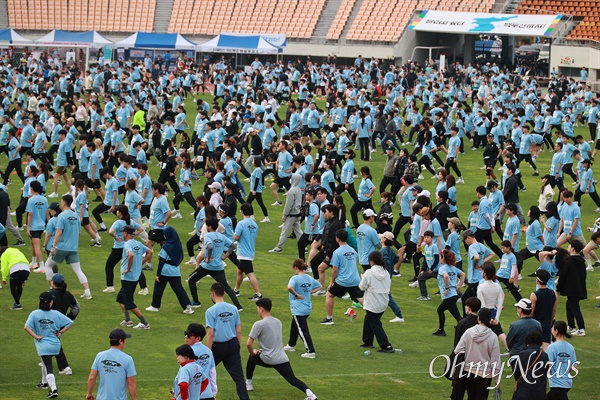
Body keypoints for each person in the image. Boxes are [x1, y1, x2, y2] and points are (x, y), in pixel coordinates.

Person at [245, 297, 318, 400]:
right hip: (281, 358)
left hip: (268, 358)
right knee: (292, 379)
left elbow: (248, 344)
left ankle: (248, 384)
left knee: (251, 358)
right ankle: (311, 395)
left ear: (261, 309)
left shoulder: (259, 324)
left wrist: (253, 353)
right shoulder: (278, 322)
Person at [25, 291, 74, 399]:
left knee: (48, 368)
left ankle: (54, 390)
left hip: (43, 345)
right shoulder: (55, 314)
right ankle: (44, 383)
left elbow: (26, 327)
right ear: (50, 302)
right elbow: (70, 322)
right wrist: (60, 332)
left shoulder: (34, 313)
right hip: (56, 344)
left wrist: (36, 336)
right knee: (44, 363)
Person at [205, 283, 249, 400]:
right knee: (239, 377)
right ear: (224, 293)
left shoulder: (210, 311)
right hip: (233, 344)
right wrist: (237, 347)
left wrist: (207, 352)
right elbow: (238, 330)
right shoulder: (234, 308)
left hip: (218, 346)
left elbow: (210, 334)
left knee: (204, 371)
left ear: (212, 294)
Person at [187, 218, 242, 310]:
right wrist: (225, 257)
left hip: (207, 266)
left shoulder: (208, 236)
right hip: (218, 267)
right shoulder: (221, 236)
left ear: (210, 226)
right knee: (226, 287)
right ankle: (238, 306)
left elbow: (210, 246)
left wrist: (208, 258)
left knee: (191, 279)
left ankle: (196, 302)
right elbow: (232, 245)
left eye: (207, 225)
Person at [43, 194, 92, 299]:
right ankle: (87, 292)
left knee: (48, 265)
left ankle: (53, 290)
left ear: (64, 203)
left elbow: (59, 232)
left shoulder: (61, 216)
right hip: (73, 248)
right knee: (78, 270)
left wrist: (53, 246)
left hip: (61, 247)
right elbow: (79, 233)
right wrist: (75, 245)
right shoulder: (76, 216)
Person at [453, 308, 501, 400]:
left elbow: (457, 350)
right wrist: (497, 379)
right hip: (485, 374)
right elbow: (495, 359)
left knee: (471, 396)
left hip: (469, 371)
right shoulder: (493, 336)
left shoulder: (469, 332)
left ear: (478, 318)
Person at [145, 226, 195, 314]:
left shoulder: (166, 246)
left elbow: (161, 261)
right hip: (175, 270)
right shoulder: (178, 245)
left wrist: (157, 275)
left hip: (165, 270)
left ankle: (154, 306)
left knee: (158, 288)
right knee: (179, 289)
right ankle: (188, 307)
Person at [321, 229, 363, 325]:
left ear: (337, 239)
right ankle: (372, 316)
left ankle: (329, 318)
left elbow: (334, 269)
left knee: (329, 295)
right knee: (362, 299)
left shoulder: (337, 252)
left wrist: (332, 282)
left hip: (343, 281)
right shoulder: (352, 250)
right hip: (355, 280)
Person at [284, 258, 322, 358]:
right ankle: (291, 345)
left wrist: (296, 295)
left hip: (298, 308)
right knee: (295, 326)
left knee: (302, 330)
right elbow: (320, 286)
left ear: (295, 267)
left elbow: (289, 287)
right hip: (307, 308)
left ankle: (310, 351)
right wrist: (309, 292)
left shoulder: (294, 278)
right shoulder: (309, 278)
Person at [117, 225, 153, 329]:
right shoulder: (138, 244)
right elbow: (150, 252)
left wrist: (128, 269)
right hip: (135, 277)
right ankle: (128, 320)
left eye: (123, 232)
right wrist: (141, 262)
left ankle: (144, 323)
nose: (122, 234)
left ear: (126, 234)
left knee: (129, 302)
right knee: (120, 298)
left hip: (127, 277)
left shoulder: (127, 244)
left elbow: (131, 255)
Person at [359, 251, 395, 353]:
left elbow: (362, 287)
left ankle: (386, 345)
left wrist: (362, 278)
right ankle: (367, 340)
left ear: (371, 261)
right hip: (383, 301)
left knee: (375, 324)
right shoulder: (386, 272)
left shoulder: (369, 273)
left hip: (372, 301)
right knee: (369, 319)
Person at [86, 328, 137, 400]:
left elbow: (92, 377)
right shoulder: (127, 359)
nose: (125, 342)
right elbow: (131, 382)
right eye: (125, 340)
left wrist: (89, 393)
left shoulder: (100, 356)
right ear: (120, 341)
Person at [48, 273, 79, 376]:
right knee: (52, 340)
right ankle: (46, 359)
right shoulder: (68, 294)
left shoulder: (50, 294)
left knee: (55, 343)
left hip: (50, 323)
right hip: (61, 323)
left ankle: (65, 367)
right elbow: (76, 308)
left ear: (53, 282)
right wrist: (68, 318)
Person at [555, 242, 588, 336]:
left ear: (573, 248)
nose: (568, 247)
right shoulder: (581, 261)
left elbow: (563, 276)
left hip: (571, 289)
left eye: (570, 246)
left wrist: (558, 289)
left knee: (574, 307)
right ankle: (571, 326)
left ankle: (581, 329)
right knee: (569, 305)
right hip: (578, 287)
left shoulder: (569, 261)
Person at [233, 203, 262, 301]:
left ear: (242, 212)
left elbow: (236, 237)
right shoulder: (254, 224)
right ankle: (236, 289)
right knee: (240, 271)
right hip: (250, 250)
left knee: (250, 273)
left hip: (243, 252)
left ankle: (258, 294)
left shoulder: (241, 223)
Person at [433, 250, 465, 337]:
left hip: (448, 296)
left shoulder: (442, 268)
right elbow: (463, 274)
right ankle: (441, 330)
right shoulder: (453, 268)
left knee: (458, 318)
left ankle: (466, 331)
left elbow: (446, 276)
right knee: (440, 310)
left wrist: (447, 288)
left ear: (443, 258)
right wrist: (459, 286)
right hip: (453, 294)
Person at [269, 173, 303, 253]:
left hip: (291, 214)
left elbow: (288, 205)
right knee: (298, 231)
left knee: (284, 231)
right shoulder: (298, 189)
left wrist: (284, 215)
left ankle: (279, 247)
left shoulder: (291, 191)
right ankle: (303, 246)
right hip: (297, 213)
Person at [506, 299, 542, 371]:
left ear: (520, 310)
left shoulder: (515, 325)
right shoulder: (537, 324)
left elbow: (509, 342)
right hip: (534, 357)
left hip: (517, 357)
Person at [184, 323, 218, 400]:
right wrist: (214, 392)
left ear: (198, 338)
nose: (186, 336)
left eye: (189, 335)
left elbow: (184, 374)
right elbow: (212, 372)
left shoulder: (188, 352)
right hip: (208, 393)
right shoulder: (208, 351)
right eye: (186, 333)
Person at [546, 320, 578, 400]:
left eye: (552, 329)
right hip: (567, 383)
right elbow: (574, 367)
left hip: (557, 384)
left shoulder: (551, 347)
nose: (551, 330)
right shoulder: (570, 347)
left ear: (556, 331)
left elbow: (548, 366)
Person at [512, 331, 549, 400]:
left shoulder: (522, 354)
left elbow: (516, 372)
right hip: (540, 391)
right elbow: (546, 372)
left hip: (524, 390)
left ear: (527, 342)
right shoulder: (545, 356)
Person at [530, 269, 558, 350]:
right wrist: (550, 321)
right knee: (546, 348)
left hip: (535, 324)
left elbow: (531, 311)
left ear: (537, 280)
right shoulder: (553, 293)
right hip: (546, 323)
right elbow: (554, 310)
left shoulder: (534, 295)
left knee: (533, 347)